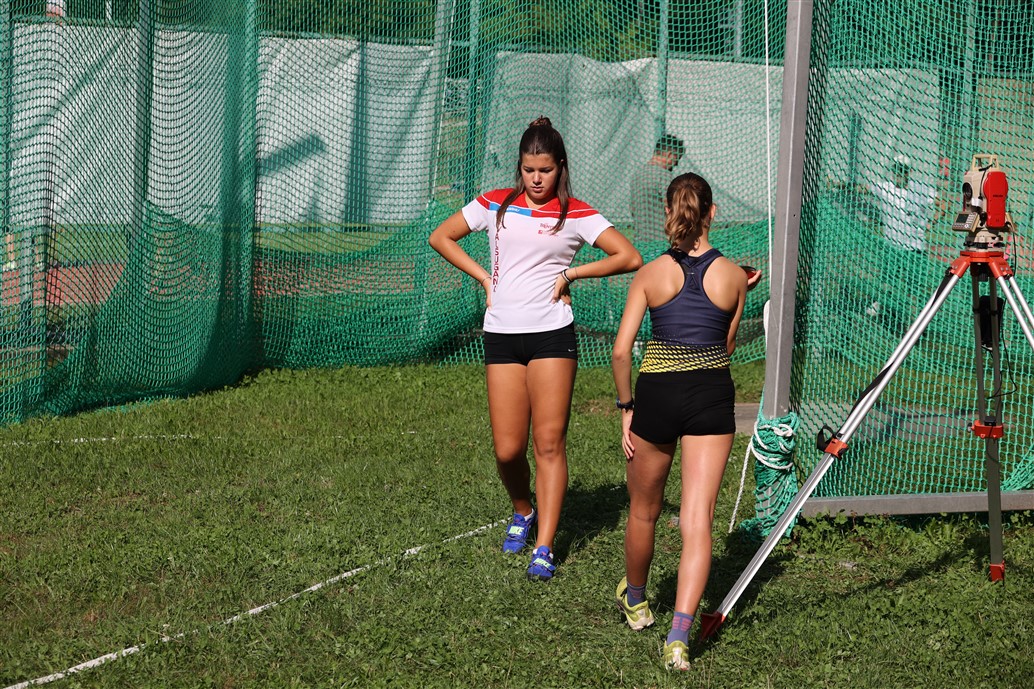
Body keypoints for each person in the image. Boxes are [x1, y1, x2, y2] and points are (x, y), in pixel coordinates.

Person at [429, 117, 642, 581]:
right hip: (502, 335)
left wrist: (571, 274)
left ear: (560, 167)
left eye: (545, 170)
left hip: (552, 336)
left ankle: (544, 546)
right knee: (507, 450)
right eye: (529, 170)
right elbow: (440, 236)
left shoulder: (577, 213)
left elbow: (629, 256)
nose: (537, 179)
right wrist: (484, 278)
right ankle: (523, 510)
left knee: (548, 444)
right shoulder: (494, 203)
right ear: (520, 168)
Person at [610, 172, 746, 670]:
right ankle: (679, 638)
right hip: (710, 397)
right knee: (697, 520)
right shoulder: (735, 276)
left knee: (643, 510)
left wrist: (627, 408)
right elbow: (725, 347)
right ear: (712, 213)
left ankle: (637, 601)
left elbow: (621, 352)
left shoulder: (650, 274)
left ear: (669, 211)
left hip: (657, 396)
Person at [869, 153, 940, 253]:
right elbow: (864, 188)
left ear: (909, 171)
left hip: (915, 247)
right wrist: (847, 186)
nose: (898, 173)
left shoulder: (921, 188)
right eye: (896, 169)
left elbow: (944, 204)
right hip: (892, 246)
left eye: (902, 170)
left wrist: (931, 223)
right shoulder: (885, 188)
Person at [630, 134, 686, 244]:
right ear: (669, 154)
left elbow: (633, 208)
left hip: (640, 241)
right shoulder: (664, 175)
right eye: (676, 159)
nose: (676, 164)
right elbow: (671, 208)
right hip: (660, 241)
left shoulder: (637, 175)